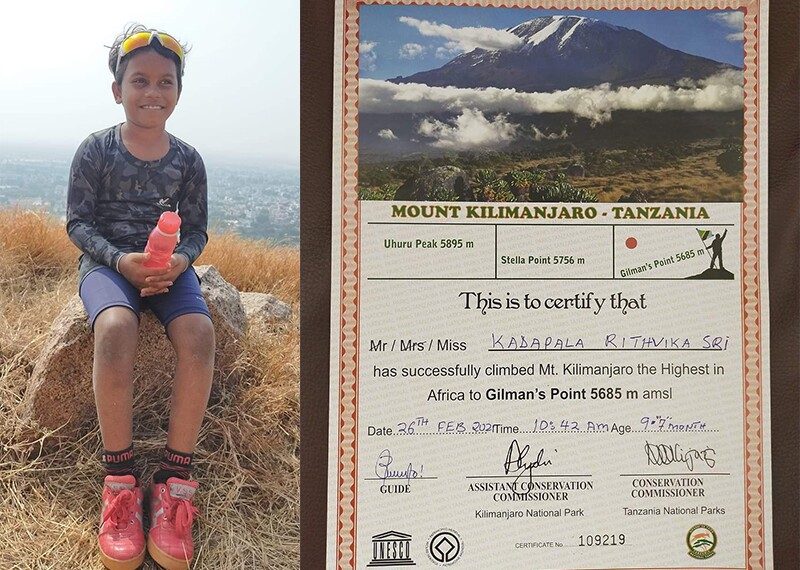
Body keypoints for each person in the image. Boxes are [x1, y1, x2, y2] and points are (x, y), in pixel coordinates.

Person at [66, 24, 215, 570]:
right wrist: (119, 260)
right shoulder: (97, 150)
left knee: (199, 335)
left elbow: (198, 231)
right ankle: (120, 482)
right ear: (117, 90)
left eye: (165, 82)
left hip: (167, 270)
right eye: (139, 81)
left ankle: (175, 480)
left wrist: (180, 261)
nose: (153, 92)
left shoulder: (189, 160)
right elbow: (78, 224)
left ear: (179, 91)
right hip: (109, 266)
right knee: (115, 329)